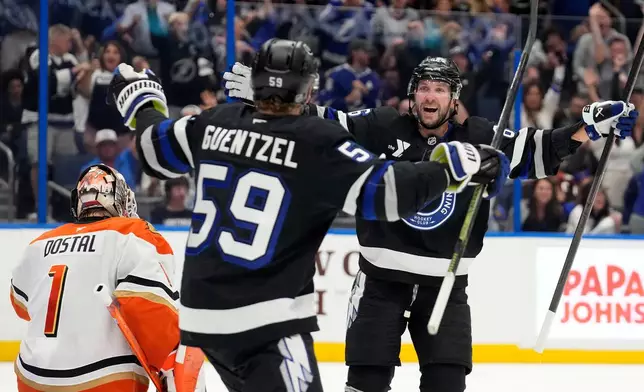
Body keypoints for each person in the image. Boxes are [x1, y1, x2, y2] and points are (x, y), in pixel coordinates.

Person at [106, 38, 509, 391]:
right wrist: (447, 168)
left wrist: (144, 103)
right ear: (307, 89)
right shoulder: (316, 140)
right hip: (268, 321)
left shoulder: (215, 121)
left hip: (202, 319)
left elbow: (154, 149)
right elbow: (386, 195)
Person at [223, 56, 639, 392]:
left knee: (446, 381)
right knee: (366, 380)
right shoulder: (382, 125)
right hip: (380, 281)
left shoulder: (479, 135)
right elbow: (322, 122)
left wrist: (589, 126)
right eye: (423, 87)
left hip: (445, 285)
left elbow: (538, 151)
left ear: (453, 98)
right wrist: (273, 101)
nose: (430, 96)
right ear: (412, 94)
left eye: (440, 89)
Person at [10, 164, 205, 392]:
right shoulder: (132, 233)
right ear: (121, 200)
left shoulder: (39, 244)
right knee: (187, 350)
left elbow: (20, 306)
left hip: (31, 379)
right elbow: (150, 310)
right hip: (104, 380)